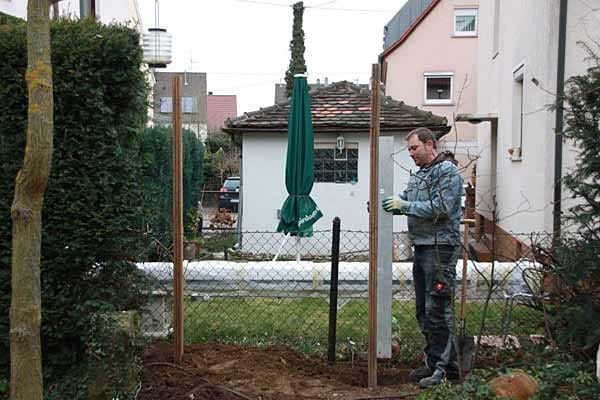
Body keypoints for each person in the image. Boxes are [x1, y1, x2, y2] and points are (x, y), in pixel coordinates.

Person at [382, 127, 463, 389]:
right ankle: (433, 362)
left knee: (438, 308)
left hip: (441, 248)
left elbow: (441, 208)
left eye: (414, 148)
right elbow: (406, 200)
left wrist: (405, 206)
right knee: (423, 310)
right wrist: (385, 204)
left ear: (430, 145)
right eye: (409, 149)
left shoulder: (447, 172)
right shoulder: (420, 175)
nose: (411, 154)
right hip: (422, 246)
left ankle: (445, 370)